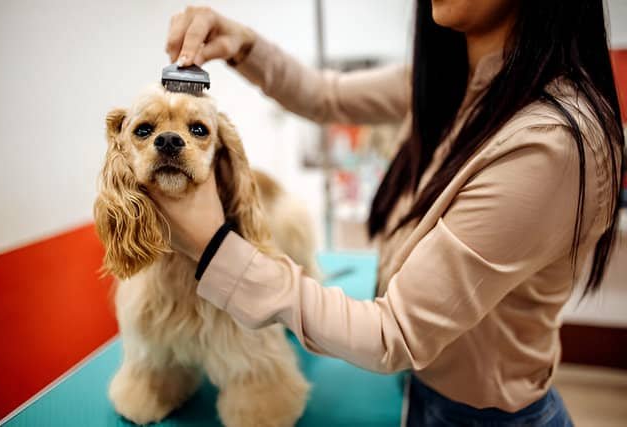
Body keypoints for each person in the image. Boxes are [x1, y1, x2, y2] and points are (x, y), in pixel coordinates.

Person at [151, 1, 624, 425]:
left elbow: (393, 332)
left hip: (484, 417)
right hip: (423, 388)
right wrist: (242, 44)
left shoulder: (549, 144)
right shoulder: (451, 75)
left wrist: (215, 250)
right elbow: (325, 96)